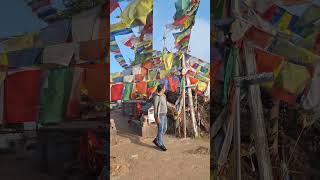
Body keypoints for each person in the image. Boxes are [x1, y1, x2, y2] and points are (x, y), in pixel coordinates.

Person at [152, 84, 168, 151]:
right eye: (164, 88)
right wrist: (156, 117)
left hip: (164, 114)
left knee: (165, 129)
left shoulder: (164, 95)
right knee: (160, 130)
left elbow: (165, 104)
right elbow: (155, 108)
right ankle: (160, 144)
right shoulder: (157, 97)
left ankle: (156, 140)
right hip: (160, 115)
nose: (165, 89)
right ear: (162, 89)